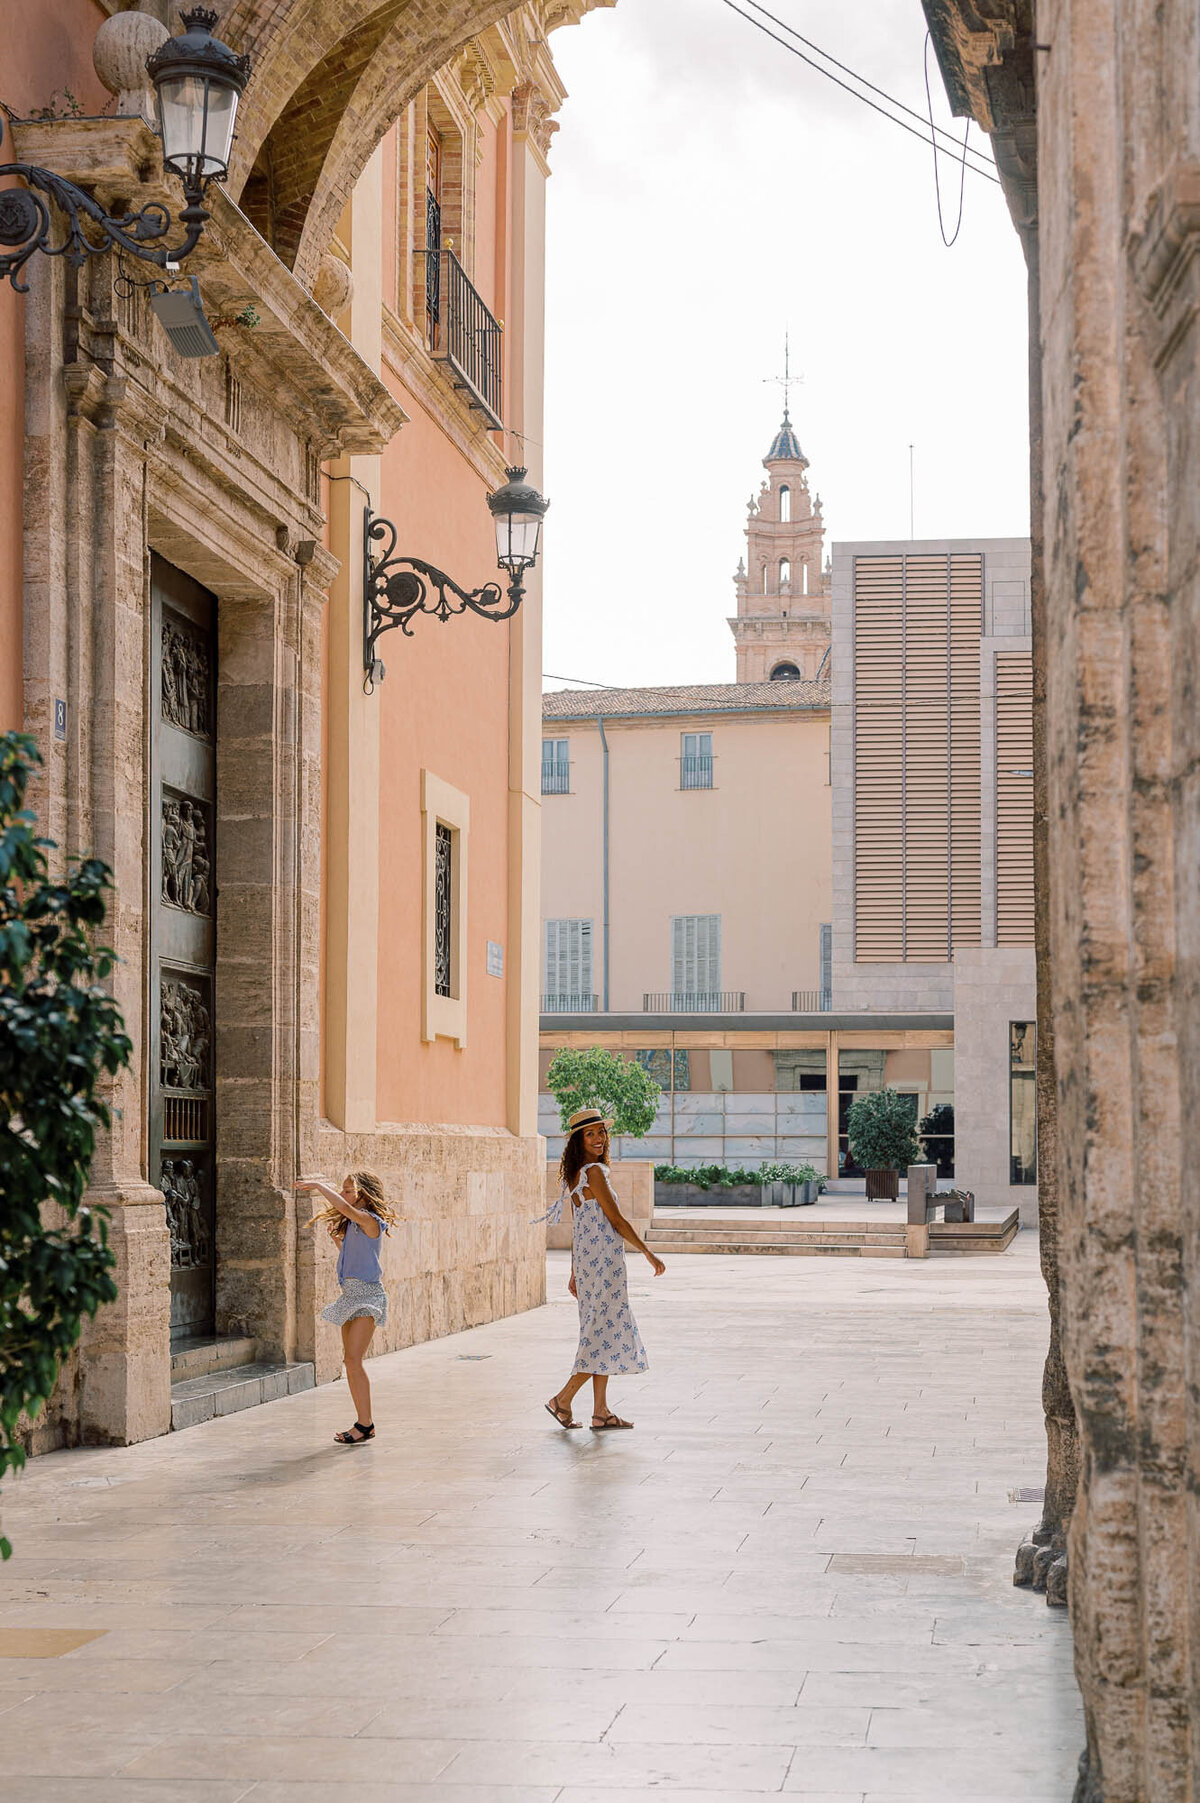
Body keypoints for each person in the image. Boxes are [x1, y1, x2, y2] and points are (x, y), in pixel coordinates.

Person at [545, 1109, 666, 1432]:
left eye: (601, 1132)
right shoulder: (594, 1173)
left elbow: (579, 1228)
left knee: (603, 1330)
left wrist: (573, 1271)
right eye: (591, 1134)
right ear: (578, 1141)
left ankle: (601, 1412)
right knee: (600, 1333)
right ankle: (563, 1399)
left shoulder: (576, 1174)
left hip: (589, 1265)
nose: (599, 1139)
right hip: (604, 1266)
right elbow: (616, 1220)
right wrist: (648, 1253)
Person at [297, 1170, 398, 1444]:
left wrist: (319, 1186)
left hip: (368, 1296)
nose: (343, 1196)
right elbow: (354, 1258)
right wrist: (337, 1241)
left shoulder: (370, 1221)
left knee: (354, 1360)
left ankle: (365, 1425)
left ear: (363, 1194)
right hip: (350, 1295)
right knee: (349, 1362)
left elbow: (341, 1207)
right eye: (342, 1190)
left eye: (348, 1190)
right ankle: (364, 1423)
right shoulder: (354, 1226)